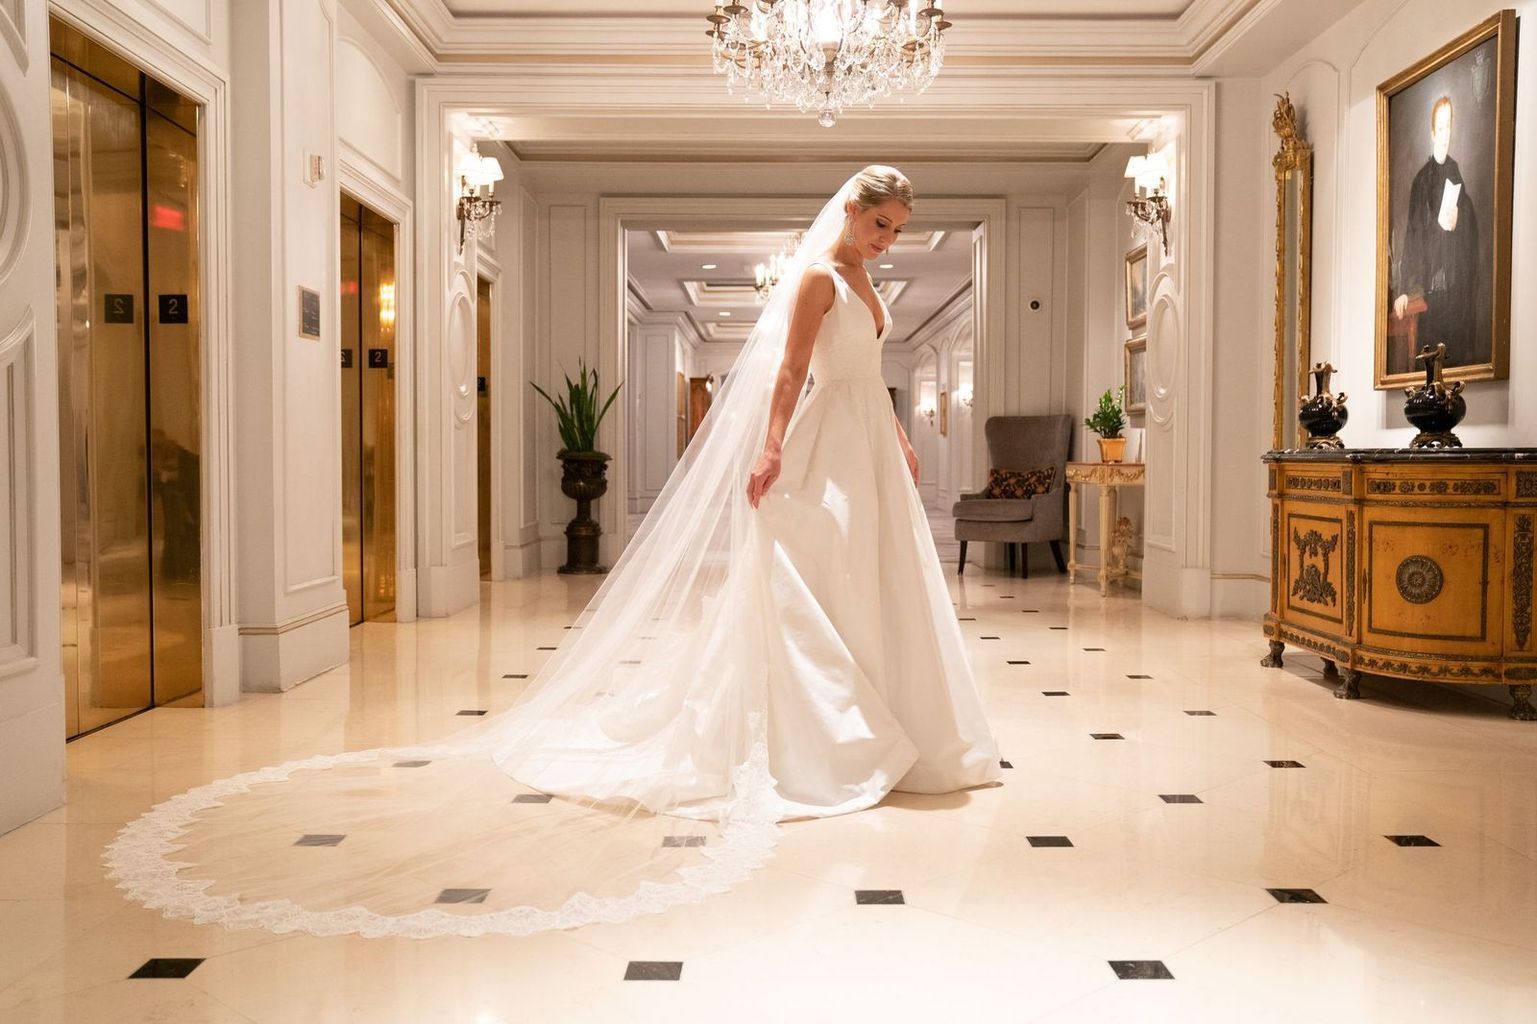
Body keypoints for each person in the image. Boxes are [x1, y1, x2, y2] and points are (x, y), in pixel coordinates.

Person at [103, 167, 1001, 941]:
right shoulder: (814, 279)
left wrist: (896, 430)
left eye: (896, 232)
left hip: (867, 447)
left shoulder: (870, 288)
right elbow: (791, 372)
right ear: (850, 212)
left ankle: (891, 715)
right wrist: (769, 448)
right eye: (879, 225)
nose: (886, 242)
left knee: (874, 575)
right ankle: (829, 732)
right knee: (814, 574)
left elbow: (864, 373)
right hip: (816, 449)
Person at [1393, 95, 1481, 370]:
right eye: (1440, 128)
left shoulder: (1456, 173)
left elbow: (1470, 231)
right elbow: (1413, 236)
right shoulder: (1421, 180)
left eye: (1448, 128)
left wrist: (1459, 221)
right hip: (1430, 294)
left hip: (1454, 291)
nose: (1445, 135)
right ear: (1432, 132)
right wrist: (1406, 288)